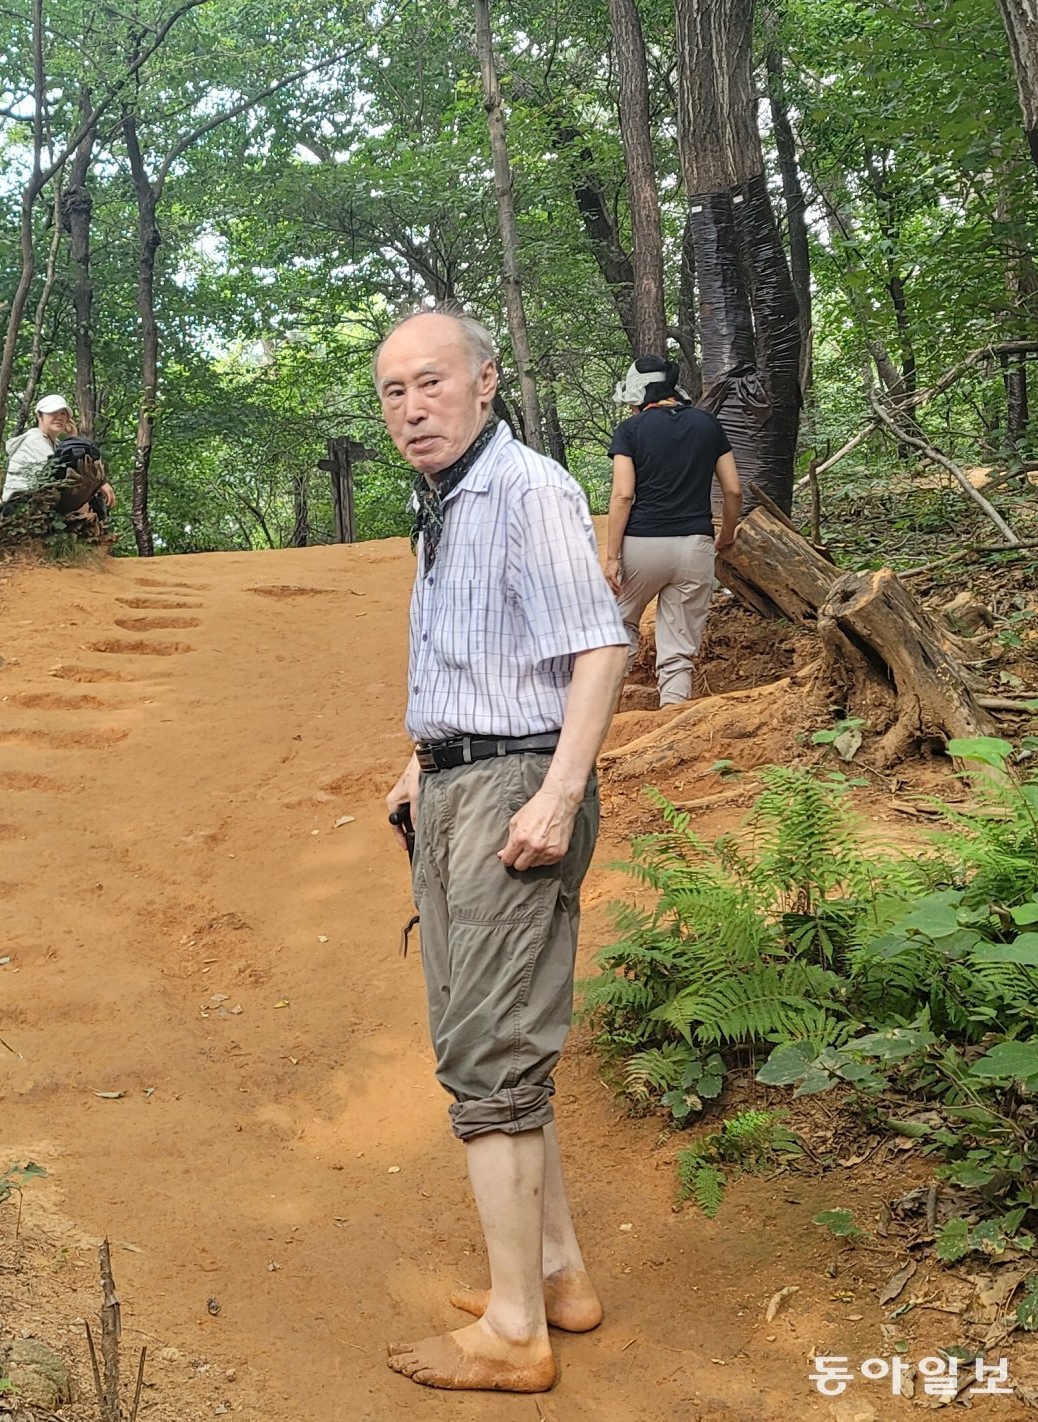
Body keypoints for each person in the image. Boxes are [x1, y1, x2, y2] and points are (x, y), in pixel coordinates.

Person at [379, 310, 628, 1394]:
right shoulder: (446, 499)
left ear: (486, 383)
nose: (410, 407)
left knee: (484, 1059)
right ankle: (557, 1275)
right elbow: (472, 653)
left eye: (430, 383)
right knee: (502, 1045)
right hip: (458, 780)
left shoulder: (527, 487)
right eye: (392, 392)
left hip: (516, 792)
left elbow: (599, 649)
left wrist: (560, 793)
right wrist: (419, 760)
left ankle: (517, 1330)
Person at [604, 356, 742, 706]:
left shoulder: (630, 431)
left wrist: (611, 557)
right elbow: (733, 490)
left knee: (621, 627)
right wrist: (725, 535)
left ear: (638, 394)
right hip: (695, 545)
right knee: (678, 649)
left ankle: (601, 720)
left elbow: (622, 495)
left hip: (642, 546)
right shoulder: (707, 424)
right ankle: (672, 728)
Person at [2, 394, 115, 516]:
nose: (59, 417)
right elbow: (57, 476)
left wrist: (73, 437)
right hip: (20, 505)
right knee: (80, 505)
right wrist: (101, 484)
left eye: (63, 414)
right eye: (52, 412)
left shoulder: (55, 443)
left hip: (38, 501)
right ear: (39, 416)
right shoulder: (34, 439)